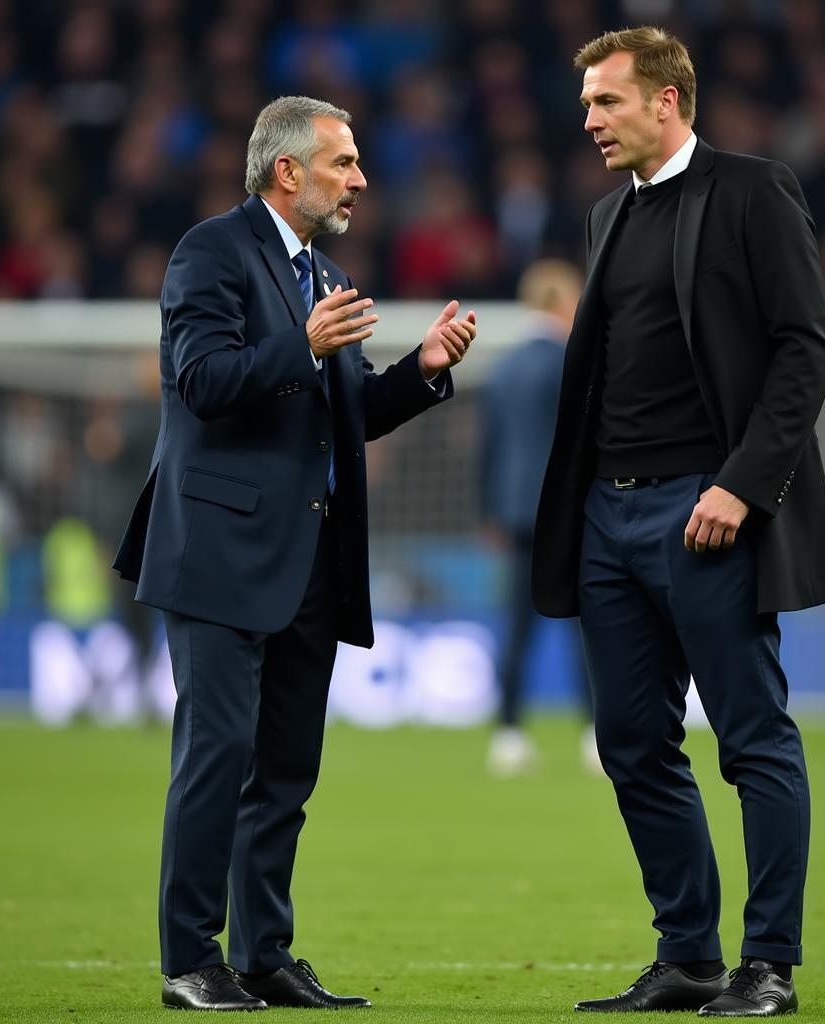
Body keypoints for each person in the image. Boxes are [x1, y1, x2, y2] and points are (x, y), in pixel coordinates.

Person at [113, 95, 476, 1012]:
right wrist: (301, 342)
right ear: (288, 172)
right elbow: (201, 382)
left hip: (310, 558)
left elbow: (341, 419)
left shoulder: (327, 274)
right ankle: (191, 961)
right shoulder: (211, 253)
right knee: (216, 758)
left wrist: (423, 373)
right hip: (218, 554)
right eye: (343, 162)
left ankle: (265, 954)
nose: (359, 178)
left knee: (284, 772)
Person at [531, 28, 825, 1017]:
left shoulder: (752, 191)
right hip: (608, 521)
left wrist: (743, 485)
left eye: (605, 102)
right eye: (586, 103)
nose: (588, 120)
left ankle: (768, 964)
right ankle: (688, 957)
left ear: (665, 103)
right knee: (630, 742)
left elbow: (805, 347)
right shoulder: (605, 218)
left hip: (706, 511)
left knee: (751, 737)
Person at [479, 259, 598, 775]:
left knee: (517, 629)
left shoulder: (502, 368)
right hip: (567, 513)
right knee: (587, 629)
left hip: (514, 514)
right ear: (562, 302)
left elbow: (490, 449)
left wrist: (489, 511)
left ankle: (507, 734)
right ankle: (597, 734)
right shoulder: (571, 361)